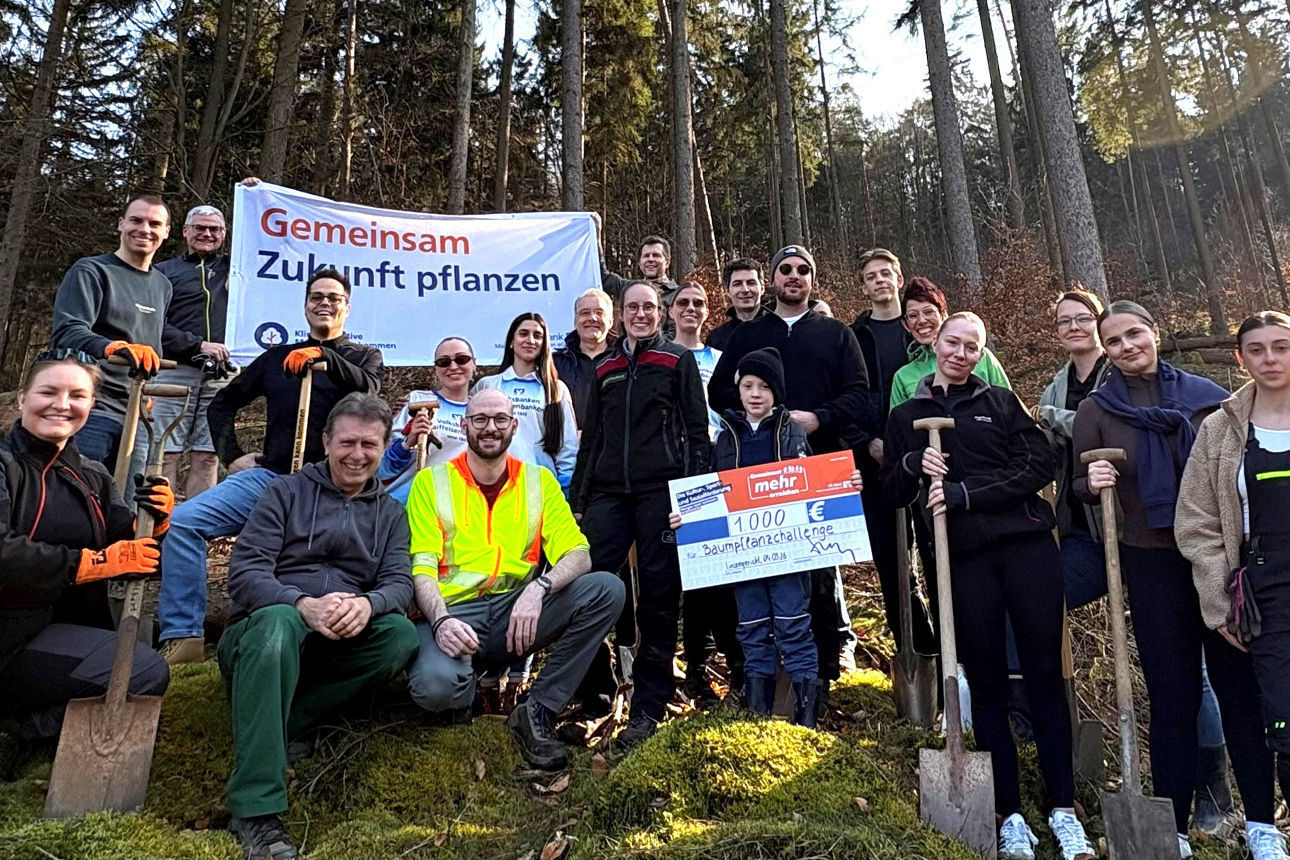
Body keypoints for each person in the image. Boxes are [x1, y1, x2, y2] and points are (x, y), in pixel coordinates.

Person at [885, 313, 1094, 860]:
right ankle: (1011, 813)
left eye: (971, 347)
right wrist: (911, 461)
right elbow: (892, 491)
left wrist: (966, 494)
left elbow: (1040, 465)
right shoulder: (908, 414)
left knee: (1045, 674)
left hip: (1027, 551)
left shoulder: (1000, 404)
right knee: (988, 684)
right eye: (952, 343)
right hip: (965, 560)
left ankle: (1064, 809)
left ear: (980, 354)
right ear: (935, 346)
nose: (960, 353)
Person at [219, 393, 417, 860]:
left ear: (384, 446)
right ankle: (254, 809)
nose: (357, 455)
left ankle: (284, 720)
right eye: (347, 442)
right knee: (277, 622)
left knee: (400, 637)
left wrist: (368, 606)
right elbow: (244, 574)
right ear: (326, 442)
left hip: (336, 642)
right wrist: (300, 602)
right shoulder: (284, 493)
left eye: (370, 445)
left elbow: (399, 584)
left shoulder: (390, 513)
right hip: (264, 633)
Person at [156, 268, 384, 665]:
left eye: (334, 298)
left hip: (333, 490)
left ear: (348, 308)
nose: (324, 303)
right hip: (271, 478)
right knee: (184, 522)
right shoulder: (277, 358)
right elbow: (224, 402)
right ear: (305, 305)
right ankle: (184, 635)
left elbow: (370, 390)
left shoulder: (363, 357)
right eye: (317, 297)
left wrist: (325, 357)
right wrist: (232, 455)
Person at [1074, 300, 1230, 859]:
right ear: (1106, 351)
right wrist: (1091, 480)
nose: (1125, 346)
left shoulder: (1209, 399)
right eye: (1112, 342)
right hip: (1150, 561)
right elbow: (1077, 487)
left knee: (1240, 690)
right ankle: (1175, 826)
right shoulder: (1097, 410)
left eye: (1133, 333)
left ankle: (1251, 814)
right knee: (1172, 694)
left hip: (1218, 559)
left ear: (1154, 332)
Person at [405, 389, 624, 770]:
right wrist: (440, 621)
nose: (490, 428)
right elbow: (421, 567)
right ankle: (465, 694)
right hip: (453, 612)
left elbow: (579, 554)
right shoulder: (430, 482)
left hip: (515, 612)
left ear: (514, 425)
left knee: (606, 590)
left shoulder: (538, 482)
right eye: (480, 419)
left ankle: (536, 710)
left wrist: (539, 589)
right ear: (464, 424)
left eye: (500, 419)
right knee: (434, 686)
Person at [0, 351, 172, 777]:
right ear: (22, 399)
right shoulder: (5, 466)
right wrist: (88, 564)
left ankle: (23, 728)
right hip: (9, 635)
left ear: (91, 406)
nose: (62, 404)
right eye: (48, 392)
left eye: (78, 395)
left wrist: (157, 526)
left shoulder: (92, 476)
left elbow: (134, 555)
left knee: (145, 666)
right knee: (141, 669)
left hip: (56, 632)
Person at [672, 347, 863, 725]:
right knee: (752, 628)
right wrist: (688, 518)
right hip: (744, 558)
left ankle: (804, 717)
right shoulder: (724, 437)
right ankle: (759, 717)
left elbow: (816, 481)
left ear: (776, 392)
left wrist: (846, 484)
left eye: (763, 386)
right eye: (748, 385)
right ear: (738, 390)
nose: (755, 393)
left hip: (790, 558)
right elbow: (710, 491)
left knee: (794, 625)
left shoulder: (792, 432)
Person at [709, 244, 871, 684]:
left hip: (818, 465)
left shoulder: (837, 333)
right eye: (786, 269)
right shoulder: (746, 335)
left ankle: (823, 664)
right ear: (773, 280)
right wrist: (753, 421)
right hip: (753, 471)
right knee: (754, 569)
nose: (794, 276)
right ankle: (753, 671)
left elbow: (860, 393)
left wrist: (819, 417)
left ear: (812, 280)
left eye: (803, 270)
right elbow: (719, 393)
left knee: (817, 567)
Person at [572, 280, 711, 749]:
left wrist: (691, 498)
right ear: (620, 315)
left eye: (648, 307)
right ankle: (598, 689)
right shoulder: (606, 367)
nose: (640, 314)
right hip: (609, 493)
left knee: (658, 596)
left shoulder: (677, 360)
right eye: (632, 307)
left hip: (661, 492)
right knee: (580, 580)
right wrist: (580, 500)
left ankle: (649, 704)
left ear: (662, 312)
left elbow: (697, 432)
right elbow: (592, 439)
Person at [1175, 310, 1290, 860]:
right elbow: (1195, 522)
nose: (1271, 358)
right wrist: (1219, 603)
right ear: (1240, 358)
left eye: (1282, 347)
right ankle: (1270, 832)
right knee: (1284, 719)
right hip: (1265, 590)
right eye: (1259, 350)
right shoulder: (1219, 431)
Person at [50, 194, 196, 477]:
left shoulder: (162, 285)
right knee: (76, 492)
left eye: (155, 223)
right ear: (120, 224)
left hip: (138, 413)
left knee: (126, 506)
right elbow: (68, 331)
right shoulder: (92, 271)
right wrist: (114, 348)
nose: (145, 229)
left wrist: (148, 392)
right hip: (92, 408)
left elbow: (151, 344)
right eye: (136, 220)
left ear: (166, 232)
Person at [849, 248, 934, 655]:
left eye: (886, 273)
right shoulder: (854, 337)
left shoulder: (922, 327)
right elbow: (848, 397)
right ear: (863, 286)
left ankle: (956, 658)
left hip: (933, 461)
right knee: (893, 561)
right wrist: (868, 441)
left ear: (898, 279)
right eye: (871, 276)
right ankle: (915, 650)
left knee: (938, 555)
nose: (880, 280)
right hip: (879, 462)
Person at [669, 281, 742, 704]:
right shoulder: (663, 356)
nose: (691, 309)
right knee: (691, 573)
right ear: (671, 310)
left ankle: (735, 664)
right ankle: (694, 666)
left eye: (699, 303)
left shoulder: (721, 359)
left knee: (723, 570)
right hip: (679, 468)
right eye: (683, 303)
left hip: (723, 466)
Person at [151, 204, 234, 500]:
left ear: (224, 234)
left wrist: (257, 193)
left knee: (208, 456)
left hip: (222, 375)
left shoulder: (236, 268)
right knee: (164, 455)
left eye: (214, 229)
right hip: (173, 370)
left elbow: (277, 246)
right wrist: (196, 345)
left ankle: (195, 529)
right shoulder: (162, 272)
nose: (206, 234)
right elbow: (152, 324)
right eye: (199, 227)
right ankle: (155, 527)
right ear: (185, 232)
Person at [1036, 289, 1109, 610]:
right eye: (1064, 321)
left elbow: (1102, 428)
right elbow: (1049, 455)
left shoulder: (1119, 373)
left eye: (1083, 318)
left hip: (1124, 529)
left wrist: (1048, 416)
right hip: (1079, 528)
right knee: (1034, 599)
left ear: (1100, 322)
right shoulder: (1055, 388)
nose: (1074, 327)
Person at [472, 312, 578, 491]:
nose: (531, 340)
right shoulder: (488, 385)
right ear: (511, 342)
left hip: (539, 488)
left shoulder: (556, 389)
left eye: (538, 336)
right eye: (523, 333)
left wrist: (564, 489)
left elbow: (568, 446)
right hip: (490, 486)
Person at [378, 337, 474, 506]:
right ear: (436, 369)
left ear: (474, 364)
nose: (453, 366)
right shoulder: (417, 402)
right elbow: (382, 468)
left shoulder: (482, 411)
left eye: (461, 359)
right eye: (444, 362)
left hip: (454, 509)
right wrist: (408, 442)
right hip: (404, 504)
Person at [888, 277, 1010, 409]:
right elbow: (898, 426)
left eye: (929, 312)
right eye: (913, 315)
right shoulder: (903, 376)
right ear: (906, 326)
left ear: (944, 315)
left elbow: (1008, 407)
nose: (922, 320)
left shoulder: (982, 357)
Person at [553, 289, 616, 429]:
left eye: (599, 313)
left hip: (614, 447)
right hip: (567, 447)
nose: (592, 318)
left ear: (611, 321)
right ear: (575, 321)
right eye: (585, 313)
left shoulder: (625, 359)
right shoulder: (555, 363)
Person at [601, 236, 683, 337]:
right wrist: (595, 234)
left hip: (660, 351)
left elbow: (675, 335)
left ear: (667, 262)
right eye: (646, 256)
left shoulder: (679, 295)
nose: (650, 259)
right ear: (639, 263)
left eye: (656, 255)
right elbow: (602, 275)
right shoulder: (628, 288)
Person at [707, 258, 767, 352]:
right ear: (727, 291)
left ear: (762, 288)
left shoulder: (780, 329)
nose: (745, 290)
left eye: (751, 283)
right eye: (737, 284)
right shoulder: (716, 338)